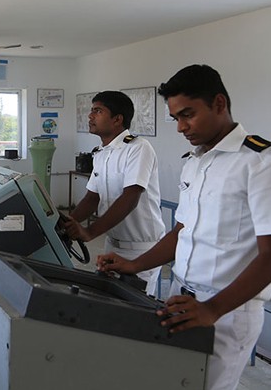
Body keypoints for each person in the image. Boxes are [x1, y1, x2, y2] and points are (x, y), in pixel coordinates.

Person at [98, 65, 271, 390]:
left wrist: (212, 309)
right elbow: (181, 232)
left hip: (228, 310)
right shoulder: (195, 162)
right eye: (175, 117)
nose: (180, 127)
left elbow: (270, 255)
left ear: (219, 104)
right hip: (182, 299)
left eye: (187, 115)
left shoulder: (259, 163)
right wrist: (134, 265)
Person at [62, 90, 165, 295]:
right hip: (112, 243)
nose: (90, 116)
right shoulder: (101, 153)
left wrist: (90, 232)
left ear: (117, 119)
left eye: (98, 111)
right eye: (91, 111)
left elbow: (130, 197)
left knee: (133, 309)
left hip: (140, 247)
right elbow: (92, 197)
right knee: (109, 304)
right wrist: (66, 225)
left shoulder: (138, 148)